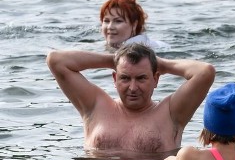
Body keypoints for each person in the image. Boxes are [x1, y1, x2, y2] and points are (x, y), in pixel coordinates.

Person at [46, 42, 216, 154]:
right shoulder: (95, 105)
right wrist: (114, 60)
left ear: (155, 79)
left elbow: (204, 72)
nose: (133, 88)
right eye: (125, 78)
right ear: (114, 79)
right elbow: (56, 60)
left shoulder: (171, 113)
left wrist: (161, 64)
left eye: (141, 78)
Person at [99, 0, 169, 51]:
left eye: (118, 21)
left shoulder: (138, 50)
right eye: (106, 21)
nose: (110, 27)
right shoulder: (106, 45)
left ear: (134, 25)